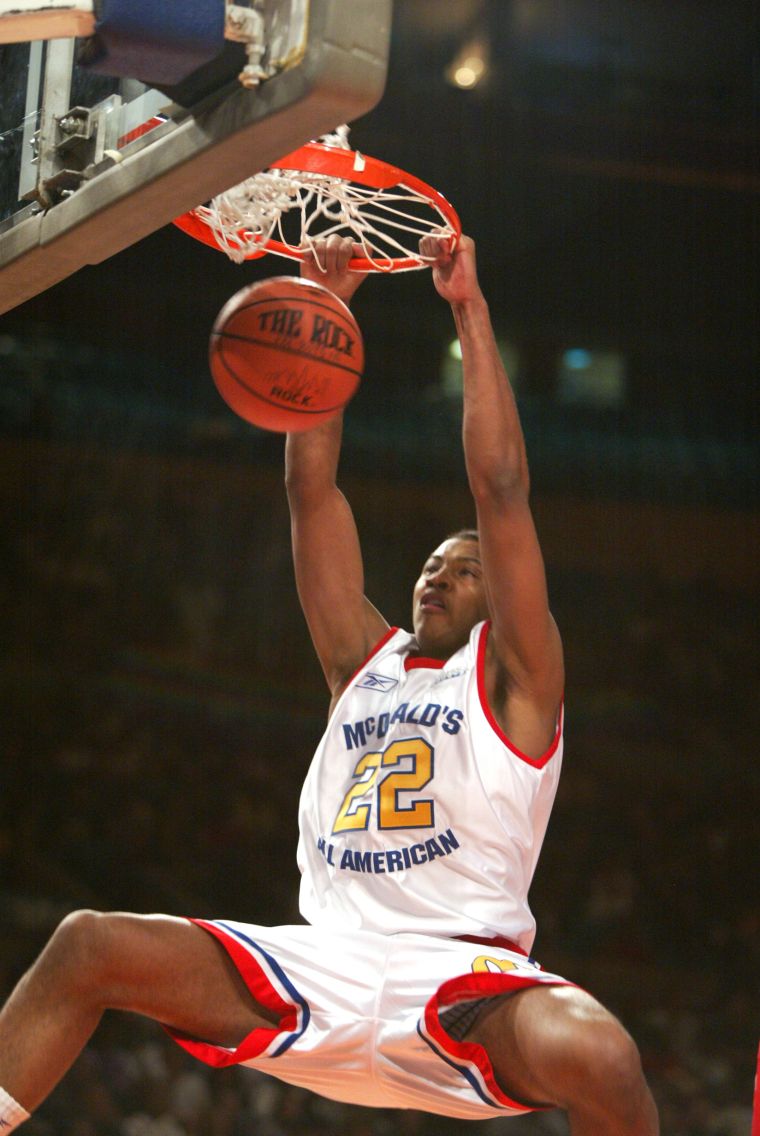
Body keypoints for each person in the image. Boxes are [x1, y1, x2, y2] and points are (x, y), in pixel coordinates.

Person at [0, 235, 658, 1135]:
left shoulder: (518, 683)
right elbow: (312, 493)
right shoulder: (362, 662)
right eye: (430, 565)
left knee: (603, 1054)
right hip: (324, 966)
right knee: (88, 944)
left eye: (463, 570)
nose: (437, 576)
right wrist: (326, 316)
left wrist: (468, 310)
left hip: (460, 980)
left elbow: (501, 490)